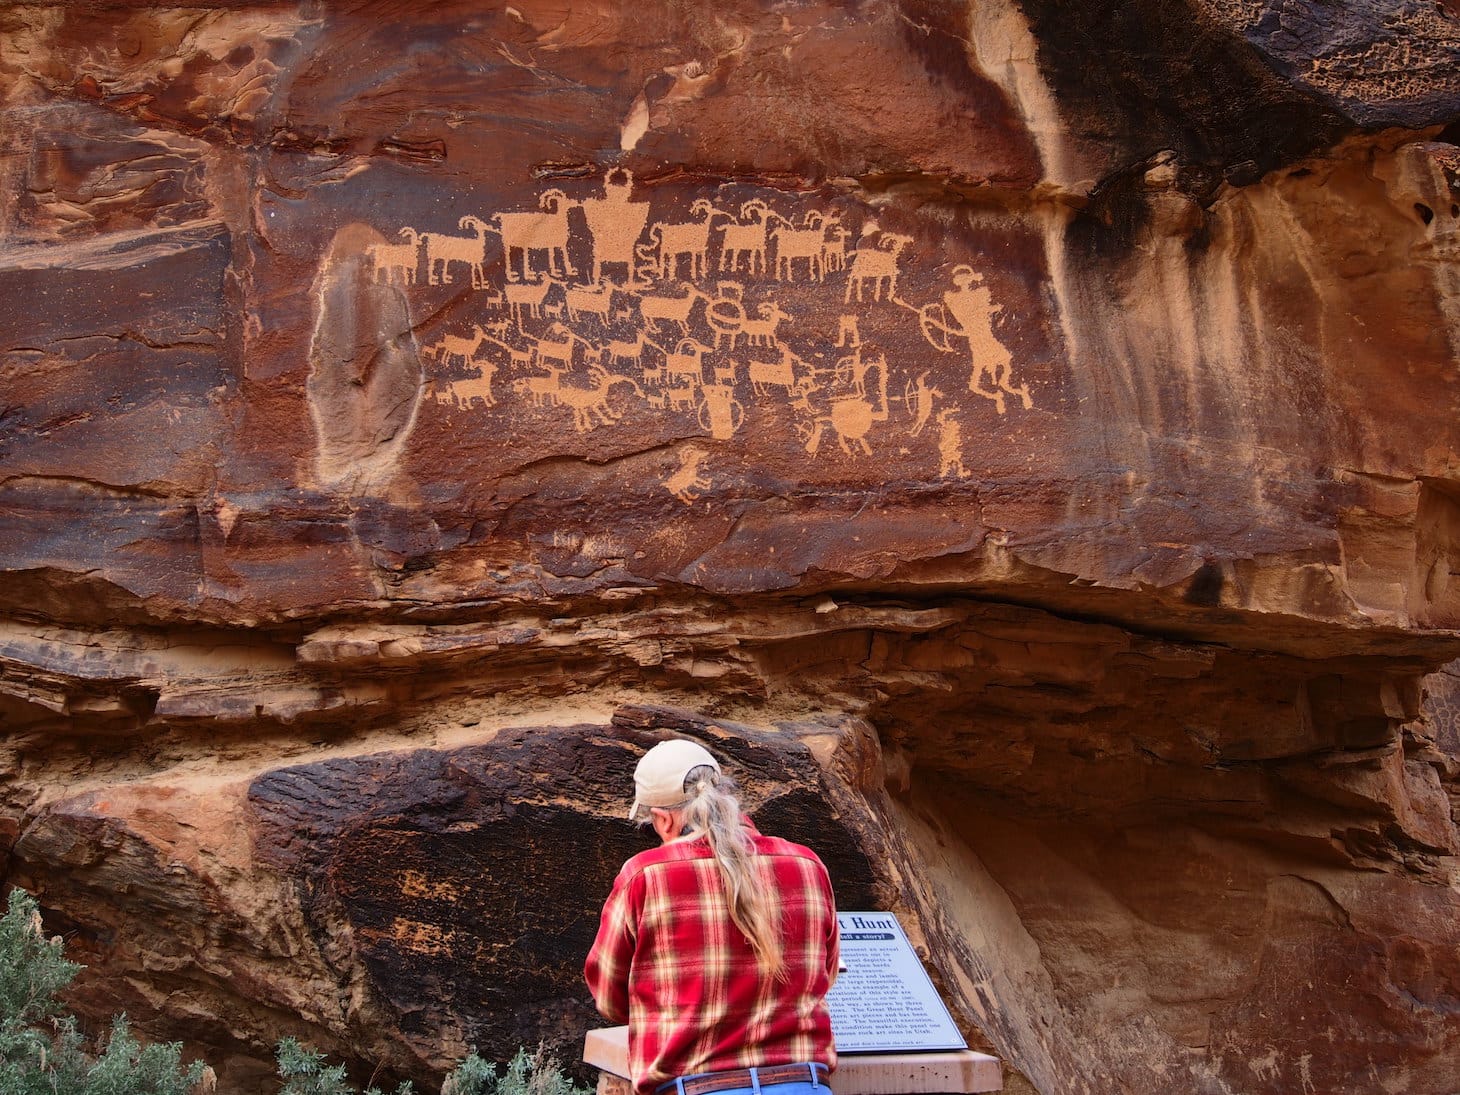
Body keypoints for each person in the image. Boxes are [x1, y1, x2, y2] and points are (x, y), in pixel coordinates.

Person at [585, 739, 841, 1095]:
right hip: (803, 1084)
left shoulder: (644, 875)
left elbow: (610, 997)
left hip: (696, 1086)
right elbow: (826, 975)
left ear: (663, 819)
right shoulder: (807, 865)